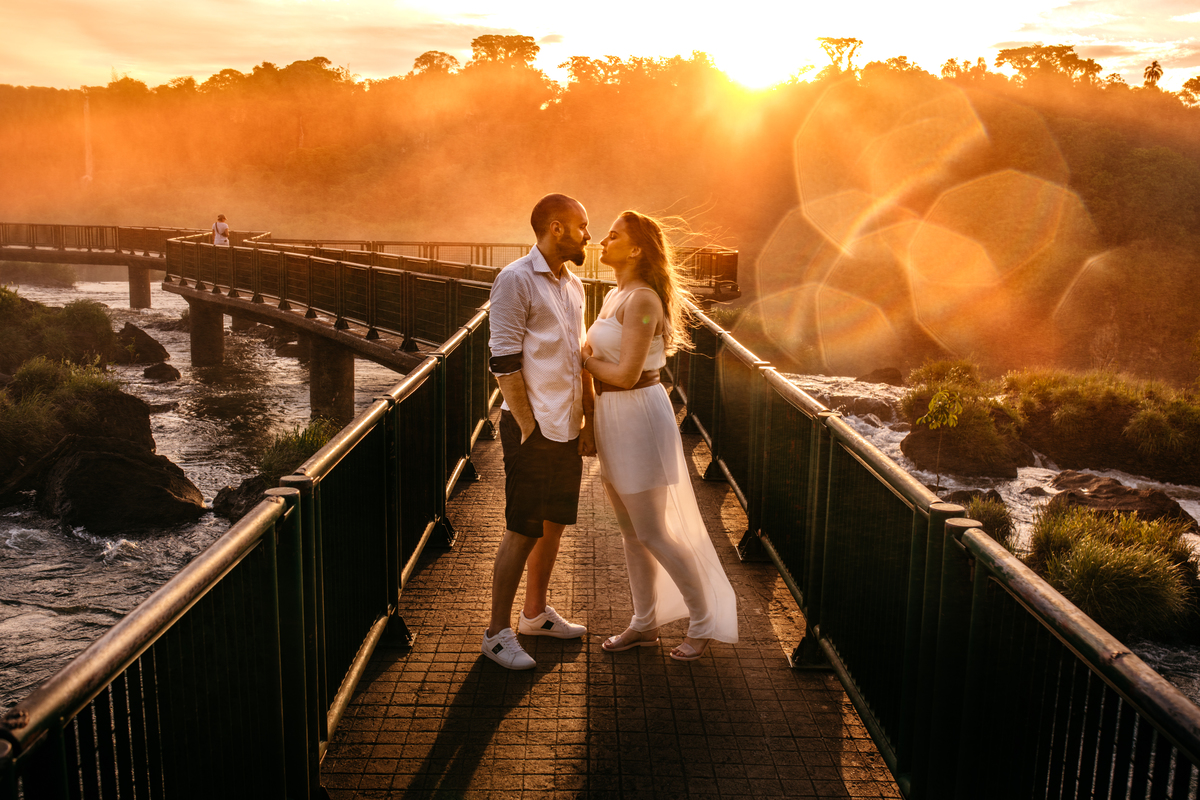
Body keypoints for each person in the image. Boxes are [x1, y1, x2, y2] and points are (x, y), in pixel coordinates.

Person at [581, 211, 738, 661]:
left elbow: (629, 375)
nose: (603, 240)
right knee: (632, 533)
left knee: (652, 531)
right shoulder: (615, 294)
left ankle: (703, 620)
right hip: (613, 415)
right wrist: (591, 421)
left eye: (613, 235)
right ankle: (644, 624)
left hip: (637, 415)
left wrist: (582, 360)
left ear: (635, 250)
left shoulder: (644, 300)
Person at [482, 193, 597, 670]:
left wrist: (587, 419)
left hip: (567, 426)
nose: (588, 234)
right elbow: (504, 361)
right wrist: (528, 426)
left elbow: (579, 355)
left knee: (552, 524)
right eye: (582, 226)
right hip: (534, 428)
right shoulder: (514, 280)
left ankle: (534, 615)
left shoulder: (574, 285)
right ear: (556, 227)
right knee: (521, 528)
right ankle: (496, 633)